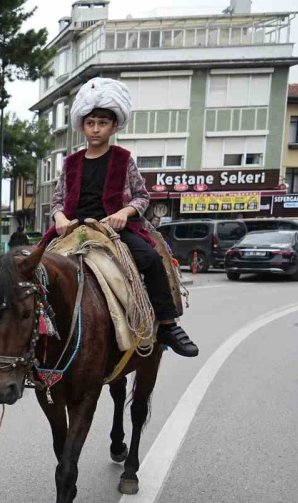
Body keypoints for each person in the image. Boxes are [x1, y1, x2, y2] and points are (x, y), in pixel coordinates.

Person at [43, 77, 198, 358]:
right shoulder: (71, 163)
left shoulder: (123, 159)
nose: (96, 129)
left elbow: (142, 196)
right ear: (82, 126)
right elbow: (56, 201)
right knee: (35, 267)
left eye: (102, 123)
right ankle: (41, 331)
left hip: (112, 228)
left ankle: (167, 323)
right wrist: (60, 218)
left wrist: (123, 213)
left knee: (150, 259)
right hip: (74, 229)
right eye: (90, 123)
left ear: (114, 126)